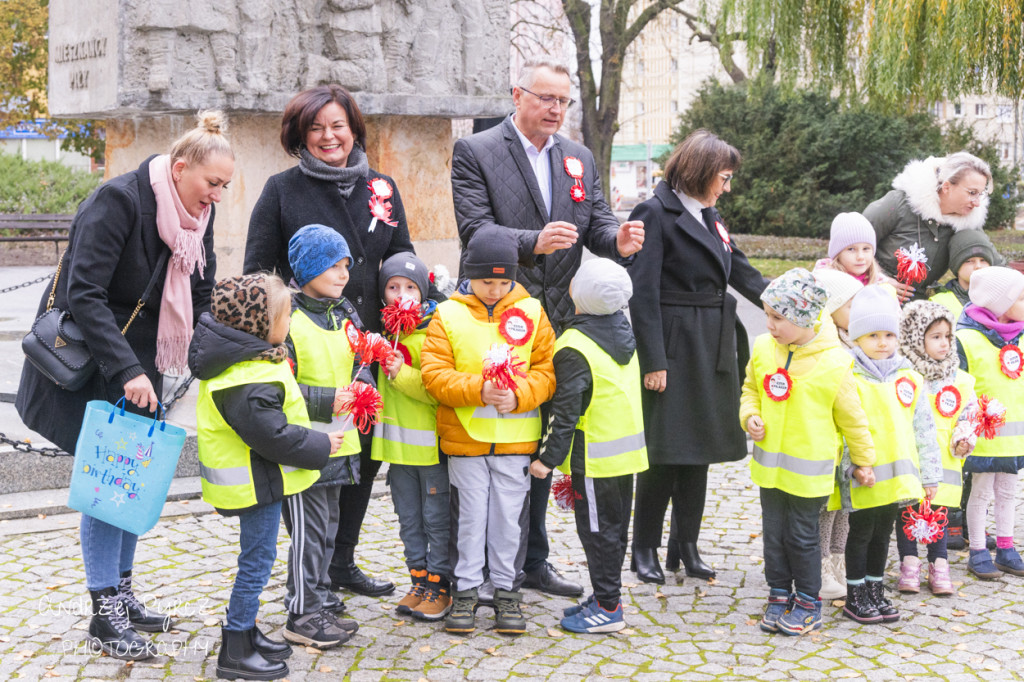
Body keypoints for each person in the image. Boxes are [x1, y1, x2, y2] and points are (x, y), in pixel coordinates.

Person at [15, 111, 233, 660]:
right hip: (104, 365)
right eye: (213, 183)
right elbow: (83, 293)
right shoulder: (119, 201)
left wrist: (220, 353)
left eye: (226, 186)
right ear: (181, 169)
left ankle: (126, 595)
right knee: (108, 485)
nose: (219, 196)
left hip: (147, 367)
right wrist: (128, 372)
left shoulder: (195, 217)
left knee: (131, 482)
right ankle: (104, 612)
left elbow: (201, 297)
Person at [451, 57, 644, 598]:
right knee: (505, 441)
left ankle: (534, 560)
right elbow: (475, 230)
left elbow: (597, 221)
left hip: (561, 320)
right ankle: (489, 564)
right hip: (502, 315)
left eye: (563, 101)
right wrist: (530, 242)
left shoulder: (578, 157)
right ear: (517, 95)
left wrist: (617, 240)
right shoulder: (478, 151)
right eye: (546, 98)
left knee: (543, 444)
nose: (556, 109)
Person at [245, 84, 439, 598]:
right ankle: (313, 566)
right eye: (316, 127)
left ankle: (342, 561)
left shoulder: (383, 186)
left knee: (363, 454)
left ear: (354, 129)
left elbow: (402, 257)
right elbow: (257, 275)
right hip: (308, 343)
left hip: (370, 343)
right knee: (316, 455)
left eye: (338, 125)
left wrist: (424, 304)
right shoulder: (280, 190)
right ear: (299, 135)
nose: (328, 136)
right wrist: (274, 339)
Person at [626, 129, 766, 584]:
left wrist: (791, 301)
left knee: (699, 449)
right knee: (664, 451)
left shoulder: (710, 214)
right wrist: (654, 361)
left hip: (712, 342)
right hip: (673, 344)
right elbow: (642, 294)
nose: (726, 187)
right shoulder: (655, 212)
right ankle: (643, 547)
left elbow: (740, 270)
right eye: (723, 178)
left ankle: (685, 545)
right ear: (701, 171)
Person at [189, 273, 340, 681]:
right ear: (259, 322)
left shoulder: (248, 361)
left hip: (259, 481)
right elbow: (273, 436)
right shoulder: (245, 377)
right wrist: (322, 446)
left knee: (257, 559)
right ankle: (235, 647)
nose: (289, 322)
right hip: (253, 486)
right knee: (256, 562)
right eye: (285, 315)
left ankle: (247, 631)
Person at [420, 227, 556, 635]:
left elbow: (547, 372)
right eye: (486, 281)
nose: (495, 289)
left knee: (508, 519)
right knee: (470, 518)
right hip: (465, 440)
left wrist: (519, 397)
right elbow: (434, 374)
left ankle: (506, 592)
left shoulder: (532, 311)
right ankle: (465, 590)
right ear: (469, 275)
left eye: (503, 281)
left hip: (516, 440)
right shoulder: (448, 314)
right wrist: (479, 389)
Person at [741, 269, 874, 635]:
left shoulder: (835, 364)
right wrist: (750, 416)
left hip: (809, 474)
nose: (769, 324)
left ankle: (809, 601)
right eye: (767, 315)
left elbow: (854, 420)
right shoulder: (764, 349)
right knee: (774, 534)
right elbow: (750, 389)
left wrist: (864, 461)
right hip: (769, 470)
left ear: (804, 317)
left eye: (778, 317)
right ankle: (779, 591)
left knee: (801, 537)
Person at [531, 258, 647, 634]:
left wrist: (547, 459)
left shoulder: (574, 345)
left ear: (578, 295)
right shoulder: (622, 331)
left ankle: (609, 609)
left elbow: (565, 412)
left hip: (594, 458)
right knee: (613, 530)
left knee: (596, 532)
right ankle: (604, 595)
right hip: (624, 454)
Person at [833, 286, 940, 625]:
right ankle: (855, 593)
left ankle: (875, 589)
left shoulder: (909, 377)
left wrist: (930, 475)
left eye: (889, 334)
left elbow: (924, 429)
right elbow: (842, 427)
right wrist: (852, 468)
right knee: (861, 532)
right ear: (857, 338)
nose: (882, 342)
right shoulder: (848, 375)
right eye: (873, 335)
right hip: (866, 476)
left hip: (896, 481)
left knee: (883, 535)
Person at [280, 225, 365, 648]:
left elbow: (362, 358)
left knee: (328, 527)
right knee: (307, 530)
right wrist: (327, 400)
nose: (343, 273)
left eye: (346, 264)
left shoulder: (345, 311)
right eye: (332, 264)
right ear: (308, 267)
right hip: (302, 444)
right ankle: (301, 611)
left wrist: (363, 385)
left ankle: (318, 593)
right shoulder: (286, 316)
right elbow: (279, 384)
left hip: (341, 440)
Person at [371, 252, 451, 622]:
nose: (401, 294)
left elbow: (436, 390)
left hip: (430, 452)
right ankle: (417, 580)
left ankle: (440, 584)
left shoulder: (434, 332)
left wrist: (401, 373)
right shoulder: (387, 334)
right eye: (392, 287)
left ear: (423, 292)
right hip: (397, 449)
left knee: (436, 519)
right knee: (408, 519)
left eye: (410, 287)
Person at [897, 301, 977, 595]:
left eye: (947, 336)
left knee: (939, 511)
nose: (944, 343)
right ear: (916, 339)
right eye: (935, 336)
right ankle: (908, 562)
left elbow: (969, 413)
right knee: (907, 510)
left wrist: (964, 437)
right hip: (911, 458)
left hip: (945, 459)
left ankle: (938, 563)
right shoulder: (904, 375)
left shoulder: (960, 379)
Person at [955, 267, 1024, 580]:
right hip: (983, 435)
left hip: (1014, 437)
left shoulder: (1021, 338)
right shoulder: (967, 339)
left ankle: (1008, 548)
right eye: (1020, 297)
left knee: (1009, 492)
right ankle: (979, 549)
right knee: (981, 492)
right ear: (999, 303)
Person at [864, 152, 994, 301]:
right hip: (874, 298)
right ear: (946, 187)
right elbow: (848, 249)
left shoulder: (968, 220)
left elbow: (995, 262)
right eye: (972, 193)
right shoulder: (897, 204)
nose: (977, 202)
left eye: (980, 194)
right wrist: (880, 280)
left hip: (922, 309)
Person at [810, 269, 864, 600]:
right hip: (830, 438)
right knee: (827, 507)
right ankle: (820, 564)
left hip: (850, 441)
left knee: (846, 506)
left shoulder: (855, 339)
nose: (857, 312)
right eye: (850, 304)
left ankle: (839, 560)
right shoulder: (824, 344)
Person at [814, 213, 894, 294]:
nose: (860, 257)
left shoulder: (880, 285)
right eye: (851, 249)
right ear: (837, 254)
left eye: (866, 248)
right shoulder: (823, 282)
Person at [930, 229, 998, 319]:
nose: (978, 266)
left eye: (983, 260)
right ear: (956, 266)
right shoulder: (938, 304)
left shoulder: (1002, 299)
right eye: (969, 261)